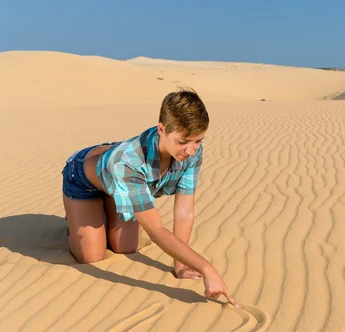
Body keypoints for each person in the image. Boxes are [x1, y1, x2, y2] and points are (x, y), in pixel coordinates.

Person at [61, 89, 237, 307]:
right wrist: (206, 267)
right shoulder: (128, 163)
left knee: (126, 248)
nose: (191, 150)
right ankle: (73, 222)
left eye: (198, 140)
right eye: (184, 141)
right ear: (162, 129)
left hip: (116, 178)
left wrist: (181, 265)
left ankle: (105, 210)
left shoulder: (191, 153)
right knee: (92, 256)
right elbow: (155, 230)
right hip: (84, 180)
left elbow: (184, 212)